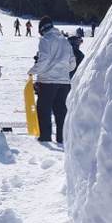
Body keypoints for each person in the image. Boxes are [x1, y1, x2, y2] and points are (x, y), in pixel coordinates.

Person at [28, 16, 76, 144]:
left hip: (48, 81)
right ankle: (62, 139)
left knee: (43, 109)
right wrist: (62, 71)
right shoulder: (65, 41)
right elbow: (72, 64)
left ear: (42, 29)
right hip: (64, 83)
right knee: (61, 111)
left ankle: (45, 138)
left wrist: (33, 71)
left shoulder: (46, 39)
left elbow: (44, 59)